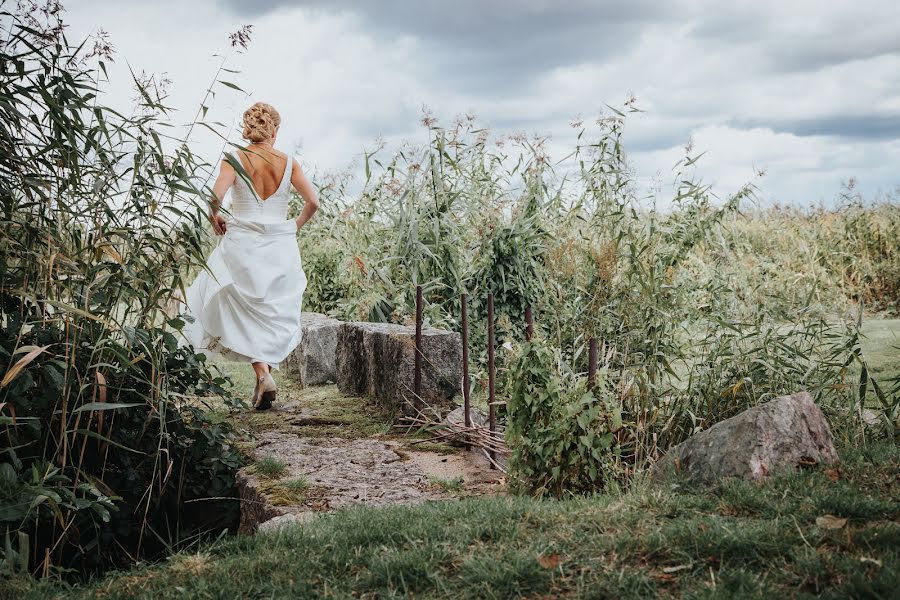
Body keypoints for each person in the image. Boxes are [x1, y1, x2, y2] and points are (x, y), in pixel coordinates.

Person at [181, 102, 319, 409]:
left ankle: (261, 376)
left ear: (249, 127)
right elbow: (313, 202)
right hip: (278, 245)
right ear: (275, 129)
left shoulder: (235, 158)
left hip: (242, 241)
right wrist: (292, 227)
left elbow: (215, 197)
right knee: (270, 312)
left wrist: (215, 216)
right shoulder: (290, 162)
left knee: (238, 308)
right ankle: (262, 377)